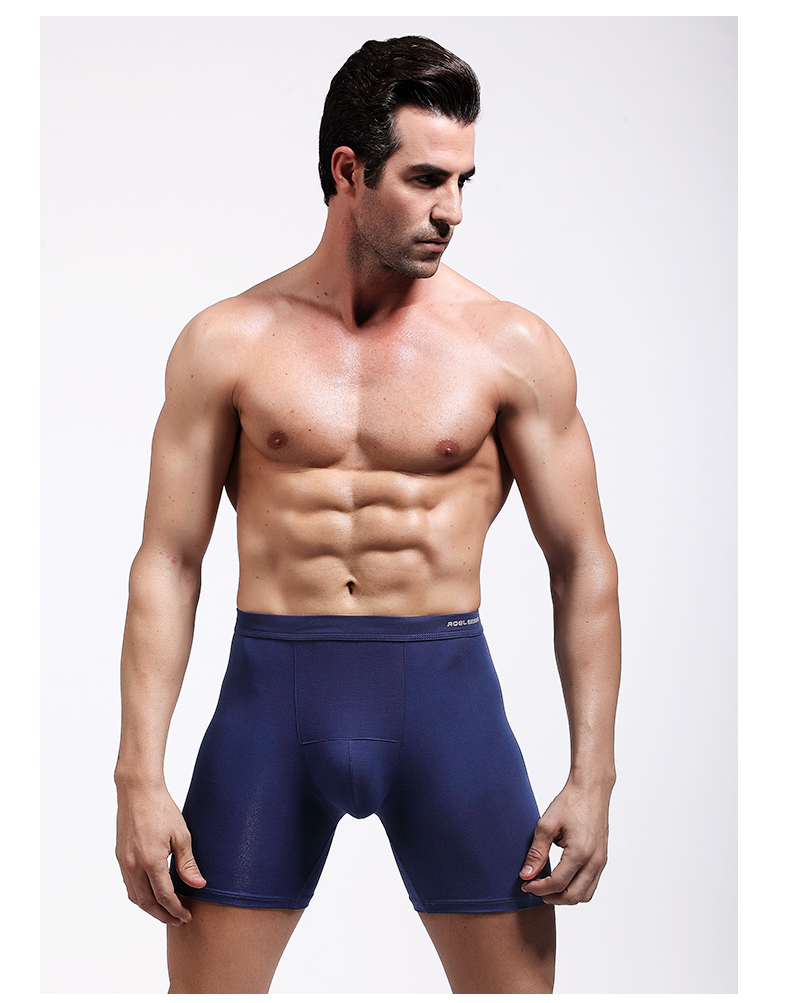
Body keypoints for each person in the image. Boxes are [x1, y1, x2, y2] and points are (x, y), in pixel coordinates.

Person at [114, 35, 620, 995]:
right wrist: (137, 774)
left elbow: (583, 560)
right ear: (348, 171)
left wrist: (594, 774)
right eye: (426, 179)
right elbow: (169, 560)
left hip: (447, 708)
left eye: (465, 181)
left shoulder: (510, 347)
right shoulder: (226, 342)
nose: (452, 210)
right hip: (268, 707)